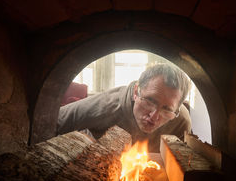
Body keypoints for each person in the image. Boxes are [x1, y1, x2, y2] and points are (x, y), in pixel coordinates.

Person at [57, 63, 191, 152]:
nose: (154, 116)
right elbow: (57, 120)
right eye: (150, 100)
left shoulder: (181, 121)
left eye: (167, 109)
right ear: (136, 91)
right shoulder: (107, 105)